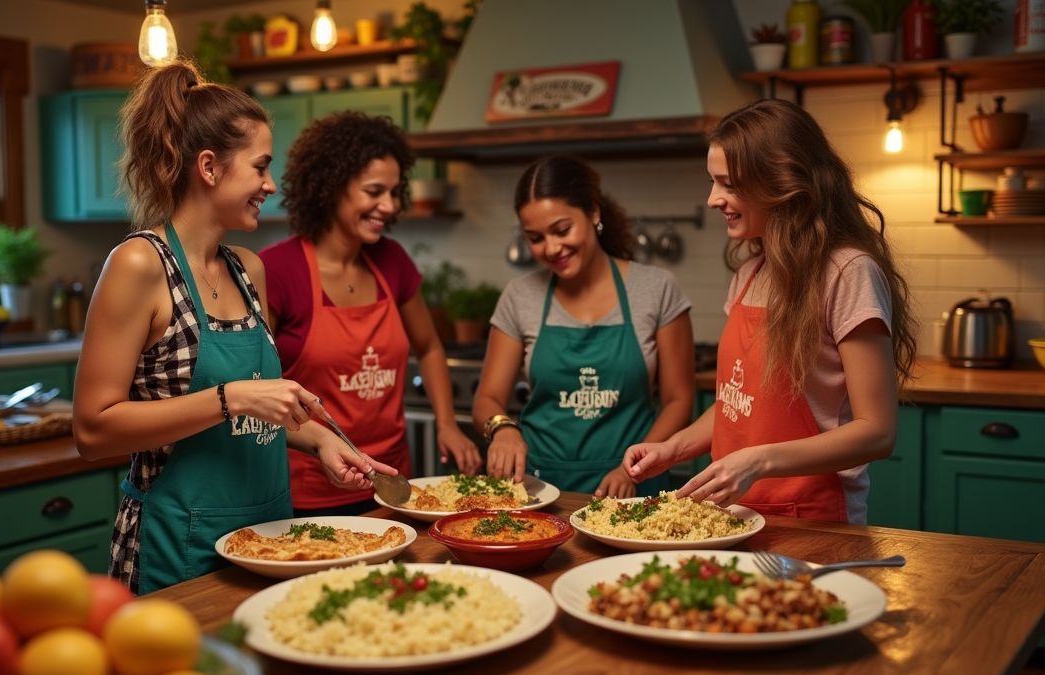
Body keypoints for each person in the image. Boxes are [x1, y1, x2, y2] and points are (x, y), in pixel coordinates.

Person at [73, 62, 396, 594]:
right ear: (209, 167)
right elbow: (92, 430)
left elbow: (255, 410)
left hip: (273, 539)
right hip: (178, 544)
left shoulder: (249, 269)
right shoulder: (139, 265)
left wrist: (319, 442)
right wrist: (229, 397)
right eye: (260, 167)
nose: (270, 185)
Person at [623, 98, 918, 524]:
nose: (712, 199)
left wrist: (755, 462)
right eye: (712, 182)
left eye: (728, 184)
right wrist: (674, 448)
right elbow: (737, 404)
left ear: (781, 181)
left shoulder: (848, 272)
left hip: (812, 517)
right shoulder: (749, 272)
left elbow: (877, 431)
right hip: (728, 519)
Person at [261, 110, 482, 516]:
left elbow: (430, 347)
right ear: (331, 186)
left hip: (391, 487)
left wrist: (447, 424)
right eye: (374, 191)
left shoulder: (392, 262)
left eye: (395, 193)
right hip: (310, 491)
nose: (389, 205)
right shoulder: (278, 271)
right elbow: (258, 386)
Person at [473, 155, 695, 498]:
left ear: (593, 212)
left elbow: (679, 399)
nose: (551, 248)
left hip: (636, 487)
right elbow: (487, 398)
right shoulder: (520, 296)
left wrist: (632, 468)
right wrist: (502, 430)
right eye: (535, 238)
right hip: (539, 488)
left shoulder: (655, 289)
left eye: (562, 230)